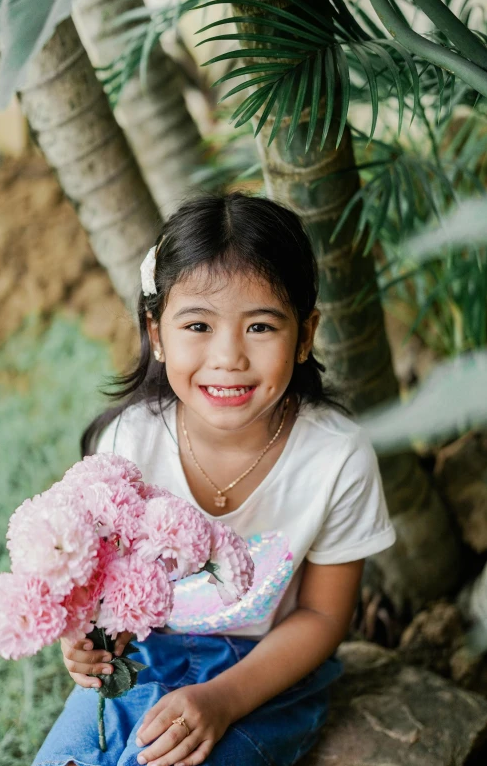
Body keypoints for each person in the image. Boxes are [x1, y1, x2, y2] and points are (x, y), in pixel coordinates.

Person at [32, 192, 396, 766]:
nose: (228, 356)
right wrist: (86, 639)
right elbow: (102, 581)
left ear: (305, 336)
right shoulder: (131, 442)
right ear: (156, 333)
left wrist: (224, 699)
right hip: (149, 655)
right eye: (198, 324)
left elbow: (324, 616)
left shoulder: (336, 460)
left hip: (267, 677)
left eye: (260, 326)